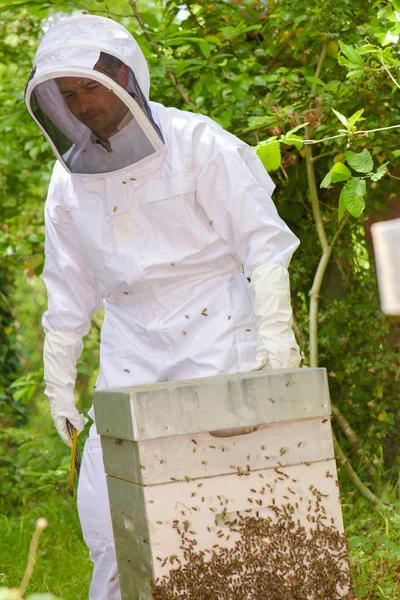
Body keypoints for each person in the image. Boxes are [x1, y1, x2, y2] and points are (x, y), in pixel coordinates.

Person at [25, 13, 301, 600]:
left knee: (227, 510)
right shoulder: (67, 180)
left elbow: (265, 246)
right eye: (69, 95)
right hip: (129, 347)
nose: (83, 105)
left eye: (92, 87)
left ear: (126, 77)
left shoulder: (200, 143)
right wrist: (58, 386)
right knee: (109, 514)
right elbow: (67, 292)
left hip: (217, 335)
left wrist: (279, 348)